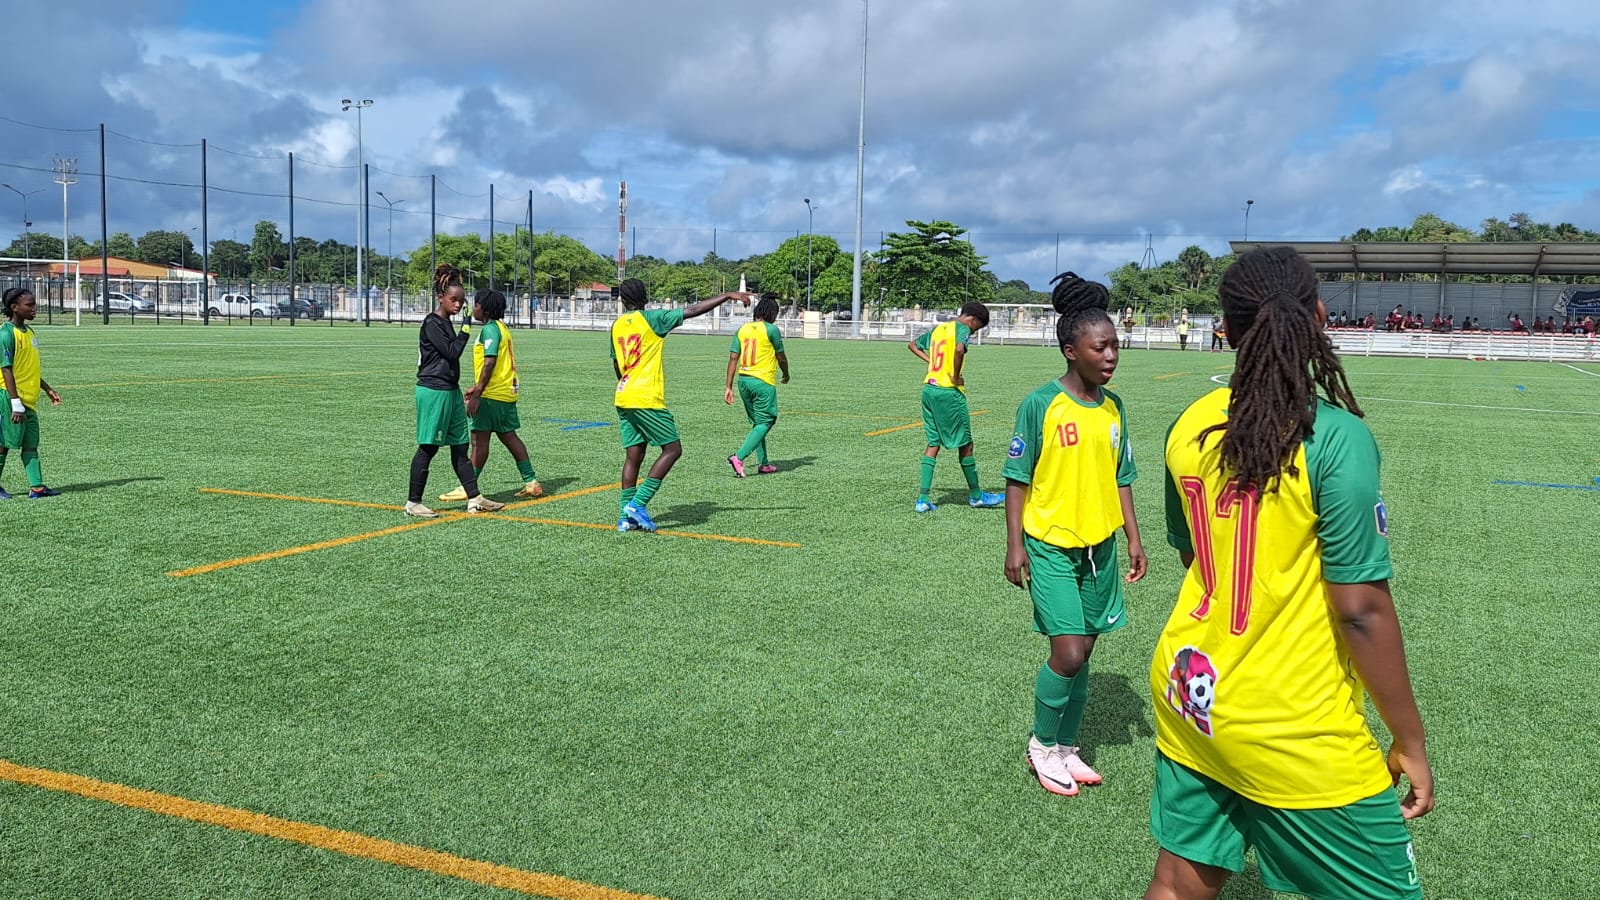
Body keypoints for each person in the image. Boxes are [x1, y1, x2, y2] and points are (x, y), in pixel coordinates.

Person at [1143, 247, 1433, 900]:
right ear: (1320, 318)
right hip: (1292, 724)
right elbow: (1360, 608)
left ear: (1226, 329)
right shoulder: (1336, 437)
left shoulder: (1189, 424)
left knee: (1180, 882)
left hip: (1193, 690)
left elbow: (1194, 556)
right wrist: (1409, 739)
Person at [1004, 272, 1146, 797]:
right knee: (1066, 653)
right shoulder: (1041, 404)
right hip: (1050, 545)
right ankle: (1042, 745)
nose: (1112, 356)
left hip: (1100, 547)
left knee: (1086, 653)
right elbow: (1017, 478)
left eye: (1115, 346)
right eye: (1101, 347)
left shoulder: (1115, 408)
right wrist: (1015, 543)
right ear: (1071, 351)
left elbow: (1122, 476)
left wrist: (1133, 538)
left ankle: (1067, 747)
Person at [612, 278, 748, 533]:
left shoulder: (617, 325)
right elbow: (693, 310)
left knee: (634, 455)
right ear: (644, 297)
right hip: (646, 397)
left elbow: (616, 365)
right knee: (673, 449)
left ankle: (624, 516)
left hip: (623, 394)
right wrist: (728, 295)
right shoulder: (652, 319)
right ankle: (637, 505)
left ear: (622, 299)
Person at [405, 265, 505, 518]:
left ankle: (474, 497)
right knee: (428, 447)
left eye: (462, 301)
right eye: (454, 300)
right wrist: (466, 329)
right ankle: (413, 503)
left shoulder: (446, 323)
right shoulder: (432, 323)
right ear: (440, 297)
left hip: (450, 391)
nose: (459, 305)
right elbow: (451, 352)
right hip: (433, 390)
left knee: (460, 447)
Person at [438, 288, 543, 504]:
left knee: (479, 441)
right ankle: (531, 482)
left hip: (491, 395)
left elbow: (490, 362)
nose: (474, 308)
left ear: (483, 309)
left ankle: (469, 486)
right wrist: (476, 386)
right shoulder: (501, 328)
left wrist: (478, 393)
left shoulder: (489, 331)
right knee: (509, 436)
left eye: (476, 304)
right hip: (506, 391)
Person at [907, 303, 1005, 513]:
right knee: (966, 444)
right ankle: (977, 496)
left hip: (929, 389)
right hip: (948, 392)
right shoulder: (961, 328)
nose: (973, 331)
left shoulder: (939, 329)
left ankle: (923, 499)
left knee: (933, 443)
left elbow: (913, 345)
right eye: (976, 328)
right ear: (972, 320)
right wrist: (955, 375)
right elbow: (959, 349)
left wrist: (931, 362)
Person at [0, 288, 62, 499]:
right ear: (14, 307)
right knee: (4, 444)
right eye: (29, 305)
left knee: (30, 443)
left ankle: (37, 488)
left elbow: (29, 367)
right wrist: (15, 402)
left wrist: (47, 388)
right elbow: (6, 369)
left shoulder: (30, 332)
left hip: (29, 399)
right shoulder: (6, 333)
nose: (34, 308)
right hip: (9, 398)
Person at [725, 294, 789, 477]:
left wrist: (728, 387)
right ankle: (739, 457)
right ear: (772, 313)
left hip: (744, 381)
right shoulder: (771, 330)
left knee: (757, 424)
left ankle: (764, 464)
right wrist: (786, 373)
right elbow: (781, 357)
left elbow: (733, 358)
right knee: (767, 421)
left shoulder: (743, 329)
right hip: (762, 382)